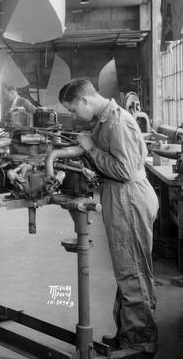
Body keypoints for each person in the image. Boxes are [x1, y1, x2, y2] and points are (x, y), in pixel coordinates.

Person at [58, 78, 158, 358]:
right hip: (121, 195)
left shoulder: (117, 122)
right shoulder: (104, 121)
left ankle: (141, 344)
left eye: (74, 110)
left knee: (133, 271)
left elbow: (124, 170)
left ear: (85, 101)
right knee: (128, 269)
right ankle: (129, 334)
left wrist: (90, 149)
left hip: (129, 197)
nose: (75, 116)